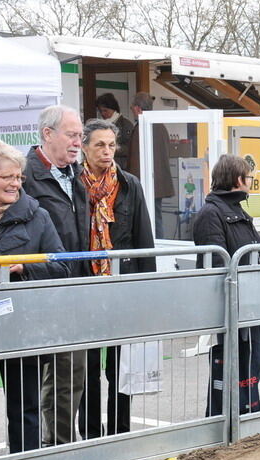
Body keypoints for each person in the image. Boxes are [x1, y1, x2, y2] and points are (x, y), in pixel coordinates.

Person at [0, 141, 69, 460]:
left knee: (24, 408)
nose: (16, 184)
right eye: (7, 177)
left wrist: (23, 266)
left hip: (23, 329)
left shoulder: (37, 216)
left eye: (19, 177)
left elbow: (62, 265)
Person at [76, 118, 156, 440]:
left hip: (123, 287)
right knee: (90, 367)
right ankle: (92, 434)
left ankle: (121, 431)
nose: (107, 151)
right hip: (87, 287)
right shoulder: (73, 185)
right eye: (99, 144)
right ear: (83, 147)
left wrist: (145, 292)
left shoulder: (129, 185)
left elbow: (143, 240)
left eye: (111, 145)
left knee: (121, 368)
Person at [23, 105, 90, 449]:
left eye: (80, 135)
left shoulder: (77, 173)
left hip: (73, 286)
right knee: (30, 378)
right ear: (48, 134)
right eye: (72, 134)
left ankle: (62, 444)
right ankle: (37, 450)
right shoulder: (24, 175)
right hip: (37, 288)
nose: (79, 142)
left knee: (71, 373)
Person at [193, 155, 260, 414]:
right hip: (234, 308)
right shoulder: (211, 214)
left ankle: (242, 423)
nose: (250, 183)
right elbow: (217, 264)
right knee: (235, 370)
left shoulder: (238, 211)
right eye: (249, 178)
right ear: (239, 180)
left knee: (256, 365)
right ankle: (225, 428)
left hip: (251, 305)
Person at [126, 92, 174, 237]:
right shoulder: (160, 126)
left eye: (132, 107)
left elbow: (135, 160)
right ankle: (158, 246)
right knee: (156, 217)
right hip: (159, 182)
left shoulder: (142, 128)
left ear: (138, 108)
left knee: (146, 219)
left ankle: (153, 249)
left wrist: (131, 184)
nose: (132, 110)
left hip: (144, 182)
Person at [94, 93, 133, 170]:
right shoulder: (100, 125)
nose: (102, 114)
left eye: (105, 110)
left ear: (114, 108)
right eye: (100, 111)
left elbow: (130, 148)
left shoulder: (126, 124)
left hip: (121, 168)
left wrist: (112, 148)